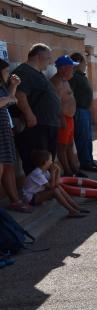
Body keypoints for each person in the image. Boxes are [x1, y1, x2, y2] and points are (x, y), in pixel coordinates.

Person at [13, 43, 61, 174]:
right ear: (39, 56)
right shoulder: (23, 71)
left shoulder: (38, 73)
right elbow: (19, 94)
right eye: (48, 57)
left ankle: (48, 190)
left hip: (47, 124)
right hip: (37, 127)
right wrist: (29, 114)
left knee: (47, 162)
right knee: (37, 163)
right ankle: (36, 193)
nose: (50, 61)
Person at [0, 59, 32, 213]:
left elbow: (10, 101)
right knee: (3, 166)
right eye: (5, 71)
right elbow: (6, 101)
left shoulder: (2, 87)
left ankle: (15, 200)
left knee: (9, 165)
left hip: (5, 130)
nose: (8, 73)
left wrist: (13, 86)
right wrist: (8, 98)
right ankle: (14, 200)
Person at [22, 150, 89, 218]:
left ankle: (76, 207)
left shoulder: (44, 171)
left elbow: (56, 184)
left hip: (38, 193)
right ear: (45, 162)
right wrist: (53, 173)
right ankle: (72, 211)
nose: (52, 162)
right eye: (50, 160)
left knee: (58, 187)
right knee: (55, 191)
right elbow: (52, 186)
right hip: (30, 199)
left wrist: (58, 171)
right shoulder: (37, 174)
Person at [51, 55, 84, 178]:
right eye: (72, 67)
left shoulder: (65, 81)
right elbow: (56, 104)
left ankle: (74, 169)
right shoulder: (56, 82)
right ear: (63, 68)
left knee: (70, 144)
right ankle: (68, 171)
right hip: (63, 119)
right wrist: (62, 120)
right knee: (62, 146)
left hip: (69, 118)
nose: (74, 70)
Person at [69, 52, 97, 172]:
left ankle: (90, 161)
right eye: (84, 63)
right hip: (79, 111)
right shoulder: (74, 77)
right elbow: (70, 94)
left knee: (88, 138)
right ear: (78, 63)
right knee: (82, 138)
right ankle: (85, 163)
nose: (85, 65)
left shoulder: (81, 76)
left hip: (85, 110)